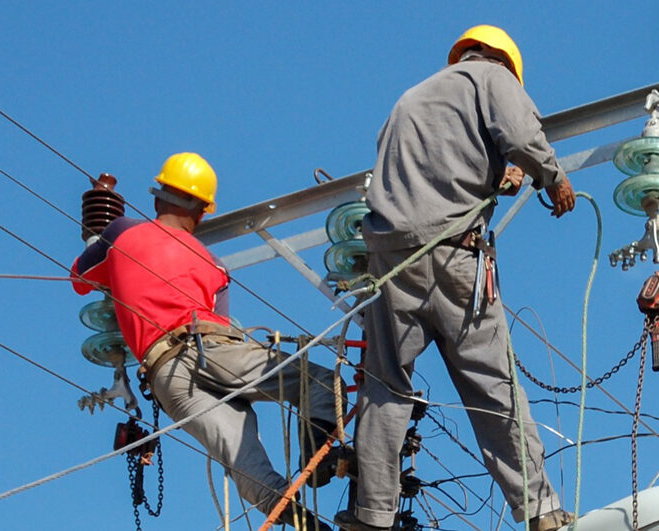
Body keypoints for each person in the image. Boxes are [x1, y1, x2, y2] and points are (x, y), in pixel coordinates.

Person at [335, 27, 576, 531]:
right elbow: (520, 132)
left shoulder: (411, 98)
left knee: (385, 386)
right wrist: (552, 176)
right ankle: (540, 511)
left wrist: (494, 177)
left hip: (391, 261)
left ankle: (371, 516)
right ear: (502, 62)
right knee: (493, 385)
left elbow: (425, 172)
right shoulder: (491, 76)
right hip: (454, 258)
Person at [71, 152, 341, 531]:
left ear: (156, 198)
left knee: (240, 458)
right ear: (202, 213)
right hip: (211, 349)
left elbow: (81, 277)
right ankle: (316, 454)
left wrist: (101, 219)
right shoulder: (215, 266)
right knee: (321, 383)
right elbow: (222, 327)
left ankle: (303, 523)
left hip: (166, 377)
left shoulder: (123, 234)